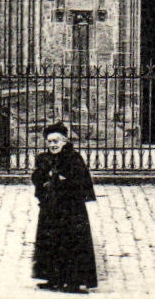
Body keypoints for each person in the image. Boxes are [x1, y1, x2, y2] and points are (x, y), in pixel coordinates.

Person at [31, 121, 98, 293]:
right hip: (51, 209)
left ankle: (74, 282)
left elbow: (81, 181)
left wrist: (64, 182)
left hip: (71, 210)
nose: (53, 145)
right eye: (50, 142)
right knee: (50, 242)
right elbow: (37, 179)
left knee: (72, 243)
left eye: (56, 141)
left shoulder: (73, 159)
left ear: (65, 141)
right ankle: (53, 279)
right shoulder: (44, 159)